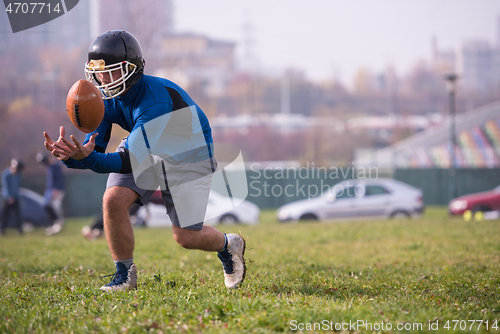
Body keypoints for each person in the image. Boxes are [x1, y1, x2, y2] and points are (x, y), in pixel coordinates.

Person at [43, 30, 246, 291]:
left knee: (186, 236)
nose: (102, 79)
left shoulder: (155, 101)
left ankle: (229, 245)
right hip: (147, 147)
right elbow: (93, 151)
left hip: (189, 153)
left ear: (132, 69)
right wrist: (71, 156)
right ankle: (124, 274)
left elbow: (128, 161)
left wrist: (89, 158)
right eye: (97, 71)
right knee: (113, 199)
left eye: (110, 71)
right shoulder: (105, 100)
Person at [36, 153, 65, 235]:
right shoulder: (48, 167)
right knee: (46, 205)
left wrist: (56, 189)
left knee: (56, 207)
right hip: (49, 190)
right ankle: (53, 224)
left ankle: (59, 224)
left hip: (57, 190)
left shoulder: (56, 166)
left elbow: (60, 179)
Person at [1, 159, 24, 235]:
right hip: (7, 198)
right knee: (5, 215)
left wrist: (15, 197)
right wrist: (9, 197)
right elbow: (6, 187)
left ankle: (20, 231)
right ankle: (2, 230)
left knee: (18, 215)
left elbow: (17, 187)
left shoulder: (19, 175)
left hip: (15, 197)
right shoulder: (5, 174)